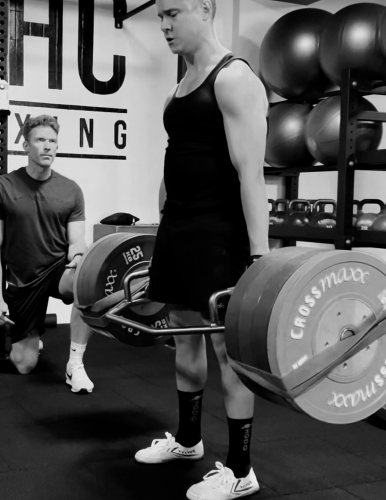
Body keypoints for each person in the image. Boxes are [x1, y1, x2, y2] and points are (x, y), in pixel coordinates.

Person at [134, 1, 269, 499]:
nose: (164, 25)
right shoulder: (180, 85)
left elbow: (251, 174)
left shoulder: (233, 79)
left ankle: (241, 470)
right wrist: (160, 226)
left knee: (228, 352)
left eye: (173, 12)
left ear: (206, 8)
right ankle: (188, 441)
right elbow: (175, 160)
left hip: (219, 233)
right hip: (179, 230)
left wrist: (259, 258)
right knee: (184, 338)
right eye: (159, 16)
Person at [0, 114, 94, 394]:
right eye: (40, 140)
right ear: (26, 146)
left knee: (86, 281)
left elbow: (77, 241)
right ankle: (31, 340)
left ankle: (75, 364)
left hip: (57, 269)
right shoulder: (1, 187)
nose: (47, 146)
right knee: (25, 364)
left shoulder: (71, 190)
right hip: (23, 279)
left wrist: (78, 261)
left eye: (52, 141)